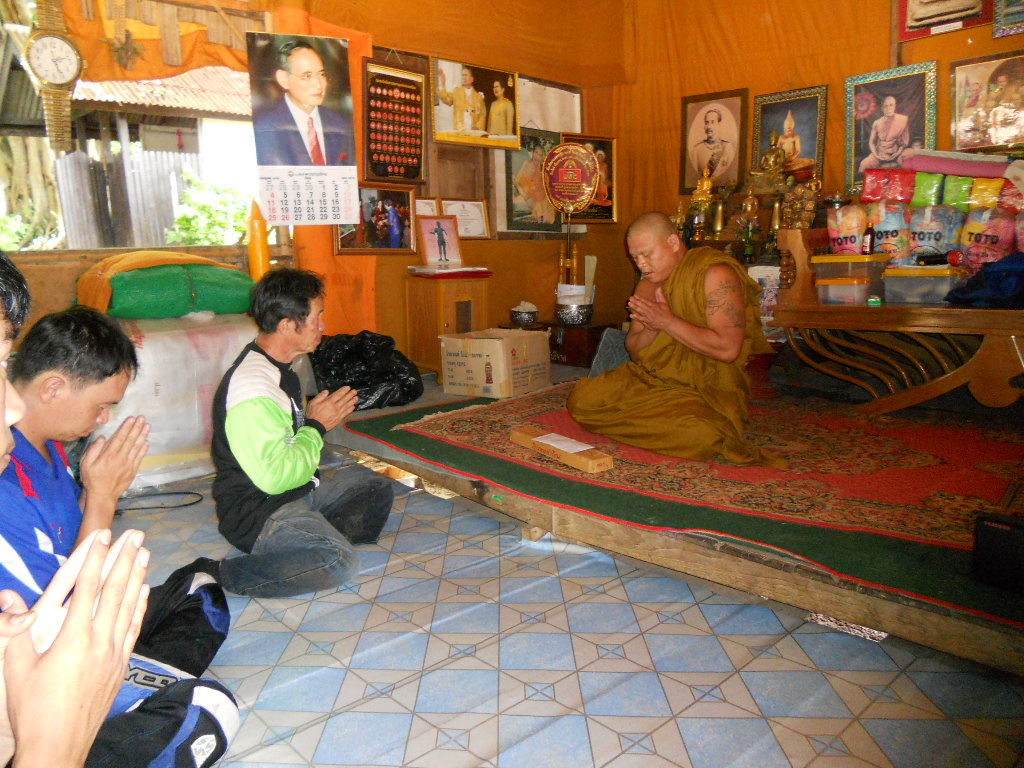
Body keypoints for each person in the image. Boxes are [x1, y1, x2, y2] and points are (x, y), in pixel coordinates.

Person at [0, 305, 238, 767]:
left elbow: (71, 544)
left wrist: (94, 493)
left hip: (80, 621)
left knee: (202, 588)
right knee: (209, 712)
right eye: (102, 405)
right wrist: (103, 499)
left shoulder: (51, 449)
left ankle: (134, 674)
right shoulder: (8, 480)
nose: (105, 419)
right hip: (46, 658)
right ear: (53, 388)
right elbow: (61, 619)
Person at [211, 268, 394, 598]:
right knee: (339, 562)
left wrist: (313, 427)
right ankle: (221, 574)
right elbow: (275, 479)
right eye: (317, 317)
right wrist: (316, 427)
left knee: (376, 486)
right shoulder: (253, 389)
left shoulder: (280, 367)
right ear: (286, 325)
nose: (323, 325)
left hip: (298, 489)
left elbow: (292, 453)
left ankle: (307, 537)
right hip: (260, 509)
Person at [567, 211, 787, 468]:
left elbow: (728, 349)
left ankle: (658, 425)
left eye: (647, 255)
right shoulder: (647, 286)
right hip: (652, 381)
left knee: (701, 436)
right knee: (582, 400)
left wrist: (668, 322)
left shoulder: (716, 275)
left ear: (672, 242)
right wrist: (652, 328)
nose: (641, 265)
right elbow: (635, 351)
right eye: (635, 258)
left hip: (704, 391)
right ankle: (655, 426)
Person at [253, 40, 355, 166]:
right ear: (284, 79)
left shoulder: (340, 125)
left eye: (321, 74)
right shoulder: (265, 129)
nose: (318, 85)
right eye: (307, 76)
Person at [858, 94, 910, 173]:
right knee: (864, 164)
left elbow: (904, 143)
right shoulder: (877, 123)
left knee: (907, 164)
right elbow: (871, 142)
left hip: (897, 153)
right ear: (882, 108)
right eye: (885, 106)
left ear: (895, 106)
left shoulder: (903, 120)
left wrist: (897, 154)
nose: (888, 108)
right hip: (880, 154)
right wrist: (876, 155)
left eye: (891, 105)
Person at [689, 108, 736, 182]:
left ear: (719, 124)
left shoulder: (728, 147)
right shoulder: (696, 150)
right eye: (706, 122)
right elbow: (693, 179)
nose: (709, 126)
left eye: (712, 122)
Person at [437, 65, 486, 132]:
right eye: (462, 75)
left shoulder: (478, 96)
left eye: (466, 75)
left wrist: (477, 126)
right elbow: (447, 100)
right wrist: (443, 84)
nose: (464, 77)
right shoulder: (457, 92)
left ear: (472, 79)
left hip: (473, 131)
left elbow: (483, 114)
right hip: (460, 129)